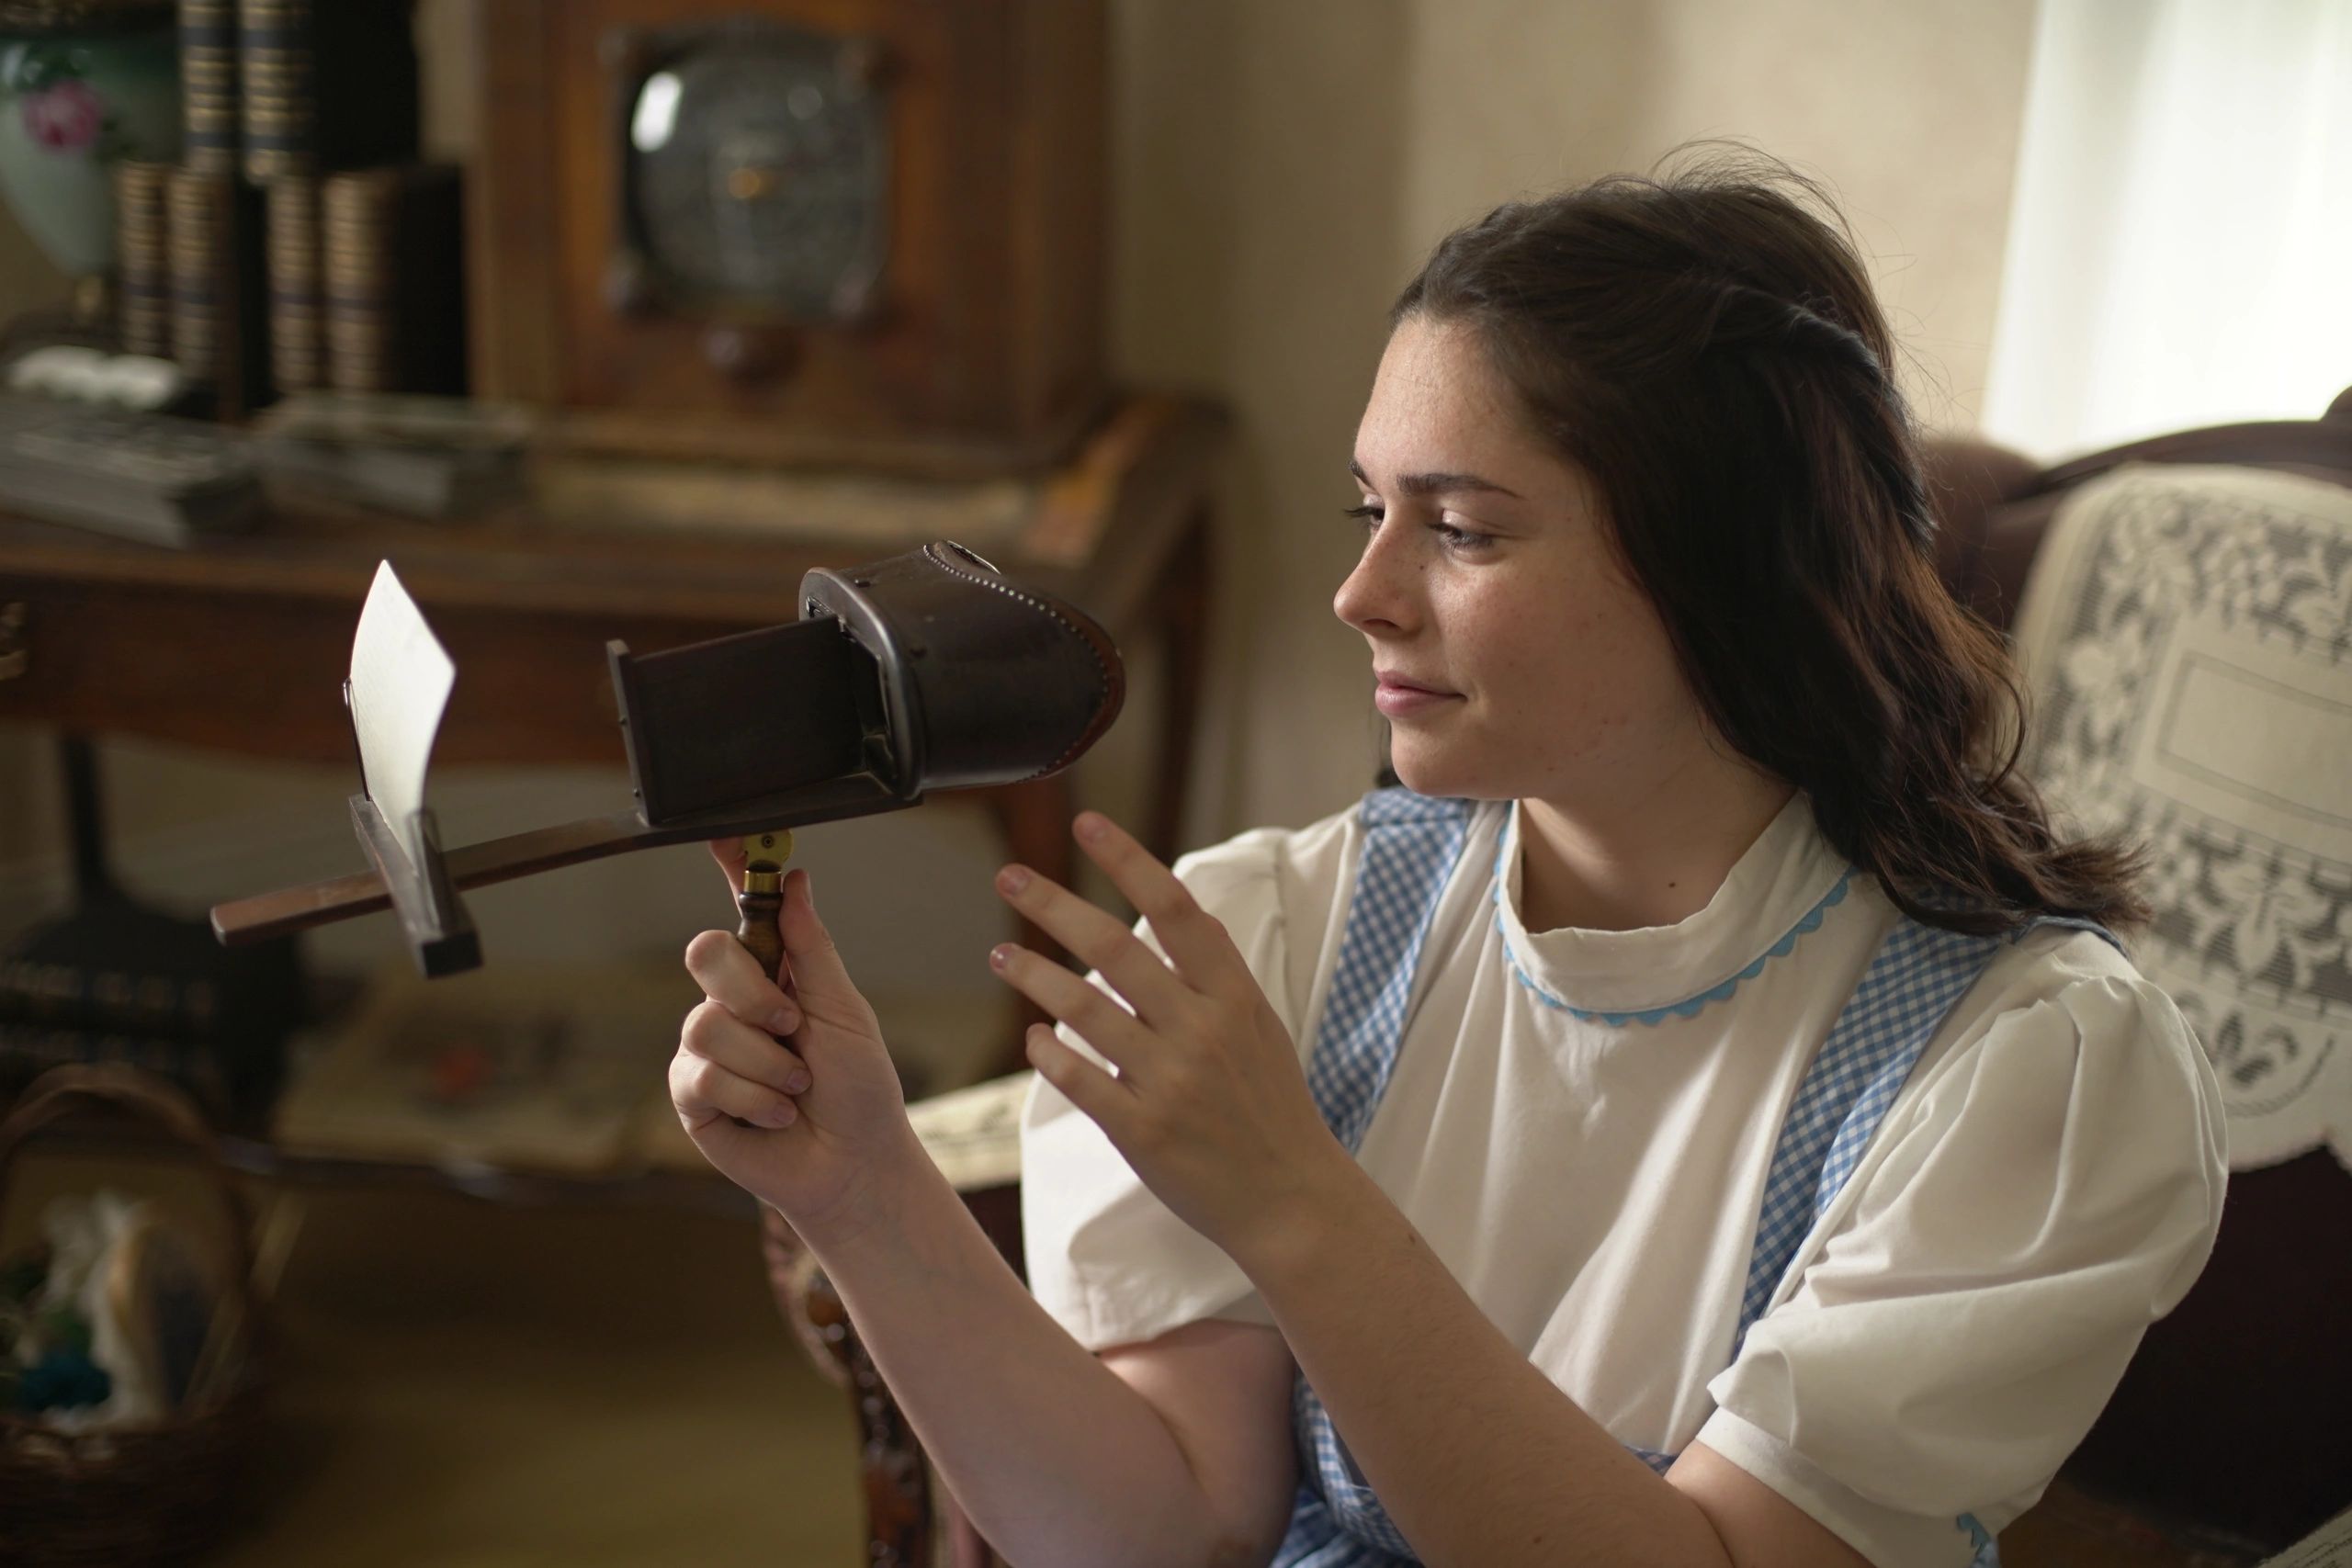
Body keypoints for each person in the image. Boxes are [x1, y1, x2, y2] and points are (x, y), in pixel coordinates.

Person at [667, 151, 2226, 1568]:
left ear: (1726, 563)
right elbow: (1162, 1542)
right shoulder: (1283, 931)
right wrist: (864, 1185)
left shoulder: (2016, 1071)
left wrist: (1296, 1202)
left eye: (1462, 530)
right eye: (1369, 511)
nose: (1362, 594)